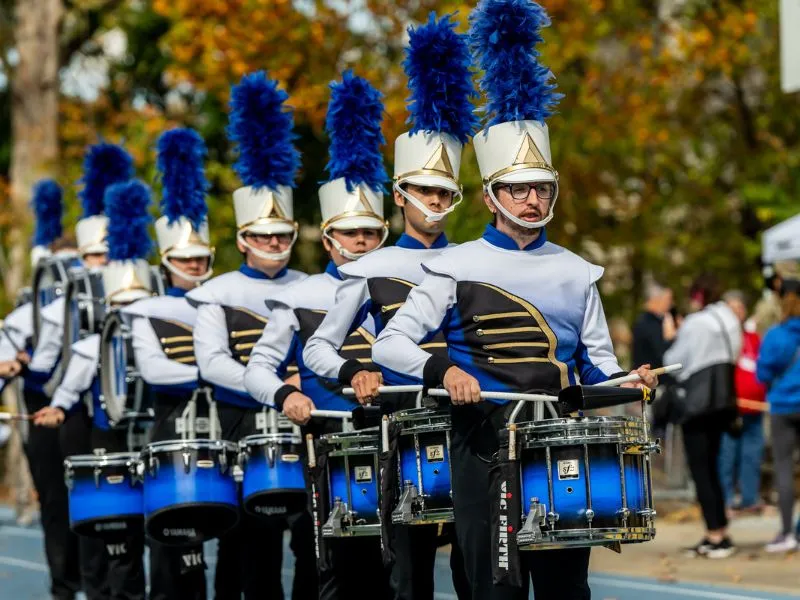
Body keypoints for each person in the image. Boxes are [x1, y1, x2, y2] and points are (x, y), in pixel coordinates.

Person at [371, 2, 656, 597]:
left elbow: (595, 366)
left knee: (564, 591)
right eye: (518, 188)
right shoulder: (454, 264)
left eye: (541, 187)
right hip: (479, 445)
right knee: (493, 588)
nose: (531, 199)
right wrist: (443, 369)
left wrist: (630, 381)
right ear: (492, 193)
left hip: (556, 445)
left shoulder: (578, 271)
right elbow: (391, 343)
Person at [301, 15, 475, 600]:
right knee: (409, 581)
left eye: (446, 192)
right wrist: (356, 371)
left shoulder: (478, 260)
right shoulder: (368, 266)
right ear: (400, 195)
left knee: (482, 573)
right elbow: (319, 347)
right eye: (426, 191)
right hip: (398, 431)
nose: (437, 201)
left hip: (474, 426)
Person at [245, 71, 391, 599]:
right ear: (328, 239)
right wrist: (288, 394)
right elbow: (258, 367)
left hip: (396, 444)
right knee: (326, 570)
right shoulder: (300, 296)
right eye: (349, 232)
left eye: (371, 232)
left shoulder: (406, 289)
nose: (360, 239)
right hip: (327, 445)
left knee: (396, 573)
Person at [187, 71, 315, 600]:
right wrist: (270, 383)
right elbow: (211, 362)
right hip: (240, 425)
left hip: (305, 421)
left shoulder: (310, 286)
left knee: (310, 540)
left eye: (283, 234)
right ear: (243, 238)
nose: (274, 242)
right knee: (247, 544)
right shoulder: (216, 290)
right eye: (263, 235)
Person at [36, 177, 158, 600]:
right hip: (91, 420)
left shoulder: (145, 299)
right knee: (95, 514)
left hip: (142, 424)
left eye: (110, 254)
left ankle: (127, 589)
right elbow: (60, 360)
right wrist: (58, 402)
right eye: (95, 255)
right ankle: (91, 587)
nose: (103, 263)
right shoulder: (63, 302)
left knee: (133, 522)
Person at [118, 127, 215, 599]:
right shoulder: (146, 310)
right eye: (185, 259)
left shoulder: (224, 300)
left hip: (223, 431)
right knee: (173, 546)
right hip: (172, 432)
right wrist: (212, 371)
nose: (195, 266)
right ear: (166, 259)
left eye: (201, 258)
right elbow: (154, 370)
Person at [0, 179, 84, 600]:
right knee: (55, 502)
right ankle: (63, 585)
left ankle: (96, 576)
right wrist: (12, 366)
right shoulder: (24, 314)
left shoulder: (91, 302)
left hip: (86, 415)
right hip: (43, 417)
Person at [664, 275, 743, 558]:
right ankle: (719, 529)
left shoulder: (696, 323)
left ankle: (715, 534)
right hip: (723, 401)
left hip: (698, 405)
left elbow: (674, 362)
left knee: (701, 470)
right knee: (713, 466)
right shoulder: (729, 319)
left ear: (697, 295)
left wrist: (672, 337)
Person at [757, 278, 800, 553]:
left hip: (784, 406)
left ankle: (787, 533)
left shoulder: (776, 334)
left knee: (784, 469)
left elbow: (762, 373)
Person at [717, 291, 766, 515]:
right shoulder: (720, 336)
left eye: (741, 308)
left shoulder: (753, 337)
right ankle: (726, 499)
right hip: (731, 407)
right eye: (733, 308)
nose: (738, 313)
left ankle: (750, 498)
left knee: (752, 455)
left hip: (755, 407)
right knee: (728, 455)